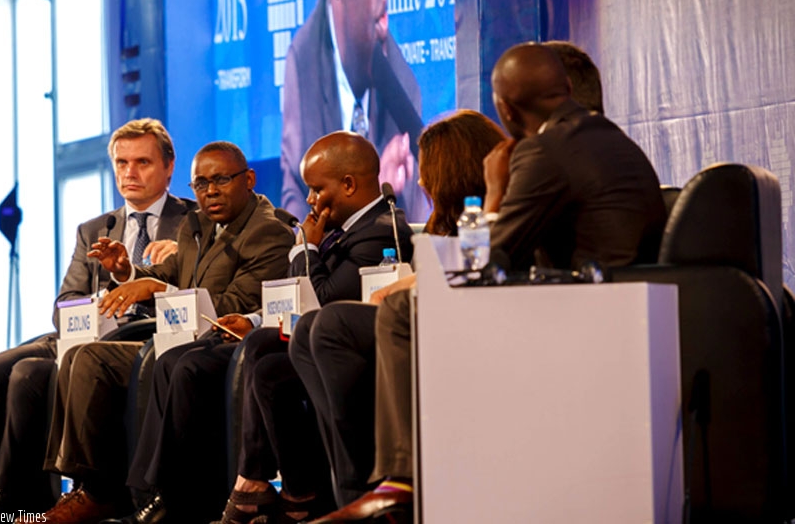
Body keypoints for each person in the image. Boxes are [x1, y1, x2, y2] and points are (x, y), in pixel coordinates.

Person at [311, 41, 667, 523]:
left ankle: (401, 482)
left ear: (503, 106)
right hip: (609, 302)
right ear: (565, 89)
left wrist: (495, 191)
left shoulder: (545, 150)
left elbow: (485, 263)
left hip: (571, 310)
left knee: (395, 313)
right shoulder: (613, 140)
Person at [31, 141, 294, 524]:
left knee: (101, 359)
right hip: (173, 336)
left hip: (214, 344)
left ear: (249, 179)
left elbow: (232, 305)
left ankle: (113, 494)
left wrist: (158, 290)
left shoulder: (268, 232)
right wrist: (128, 272)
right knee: (80, 354)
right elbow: (167, 276)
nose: (210, 192)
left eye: (221, 179)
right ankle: (91, 486)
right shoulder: (196, 226)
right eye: (201, 185)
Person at [0, 118, 194, 518]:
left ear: (168, 166)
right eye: (122, 163)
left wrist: (150, 275)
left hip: (138, 336)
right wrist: (105, 298)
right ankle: (11, 494)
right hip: (80, 332)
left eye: (142, 162)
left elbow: (195, 296)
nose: (130, 172)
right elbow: (64, 304)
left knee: (27, 374)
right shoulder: (94, 228)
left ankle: (10, 498)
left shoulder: (192, 224)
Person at [192, 131, 415, 524]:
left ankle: (286, 492)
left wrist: (306, 249)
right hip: (321, 343)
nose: (310, 201)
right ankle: (287, 492)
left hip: (356, 349)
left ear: (348, 185)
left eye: (315, 190)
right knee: (263, 361)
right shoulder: (343, 228)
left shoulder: (381, 229)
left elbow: (321, 300)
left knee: (266, 362)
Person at [290, 110, 506, 511]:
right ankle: (349, 492)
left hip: (464, 319)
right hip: (430, 313)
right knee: (304, 332)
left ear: (455, 170)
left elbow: (473, 269)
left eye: (428, 170)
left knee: (332, 322)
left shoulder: (490, 213)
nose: (420, 181)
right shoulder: (445, 220)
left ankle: (383, 490)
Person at [280, 0, 429, 223]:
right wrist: (374, 192)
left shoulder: (403, 85)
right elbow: (299, 229)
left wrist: (392, 196)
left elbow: (417, 230)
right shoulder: (303, 65)